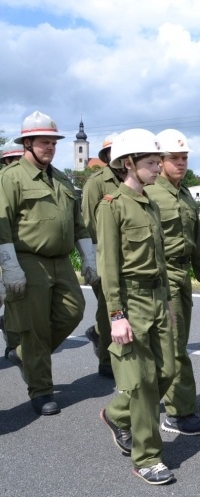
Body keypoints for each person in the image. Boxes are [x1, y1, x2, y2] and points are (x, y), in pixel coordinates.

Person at [0, 111, 98, 416]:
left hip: (61, 260)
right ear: (27, 143)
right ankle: (41, 390)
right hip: (29, 259)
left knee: (74, 310)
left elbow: (77, 222)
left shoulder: (61, 178)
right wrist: (10, 266)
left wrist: (89, 256)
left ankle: (25, 355)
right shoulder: (11, 177)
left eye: (53, 142)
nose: (50, 147)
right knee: (35, 327)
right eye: (44, 142)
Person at [96, 128, 177, 485]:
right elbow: (108, 266)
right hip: (131, 300)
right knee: (143, 384)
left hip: (158, 298)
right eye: (150, 162)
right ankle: (148, 457)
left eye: (158, 161)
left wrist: (168, 303)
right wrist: (116, 314)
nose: (158, 167)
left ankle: (117, 414)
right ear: (129, 163)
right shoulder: (111, 206)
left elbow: (158, 258)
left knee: (167, 372)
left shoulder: (151, 204)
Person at [145, 129, 200, 434]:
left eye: (184, 158)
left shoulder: (186, 194)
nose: (181, 163)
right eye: (174, 158)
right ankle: (179, 413)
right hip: (162, 276)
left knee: (177, 343)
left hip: (184, 275)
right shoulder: (149, 193)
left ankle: (143, 397)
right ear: (159, 161)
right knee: (174, 347)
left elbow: (197, 242)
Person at [82, 132, 124, 379]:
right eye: (114, 151)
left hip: (129, 257)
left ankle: (100, 333)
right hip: (103, 254)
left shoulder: (134, 179)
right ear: (107, 155)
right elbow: (88, 222)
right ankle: (107, 360)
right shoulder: (95, 183)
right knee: (108, 305)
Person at [0, 145, 25, 358]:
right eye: (13, 159)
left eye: (20, 158)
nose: (18, 162)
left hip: (21, 249)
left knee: (13, 298)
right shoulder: (3, 181)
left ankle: (14, 342)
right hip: (5, 246)